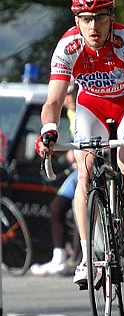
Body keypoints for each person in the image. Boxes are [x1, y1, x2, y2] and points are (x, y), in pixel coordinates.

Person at [36, 0, 124, 286]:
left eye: (100, 18)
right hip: (91, 106)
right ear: (77, 21)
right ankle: (88, 257)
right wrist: (49, 130)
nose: (94, 26)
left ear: (111, 18)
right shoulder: (68, 46)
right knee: (85, 172)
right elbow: (53, 101)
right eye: (86, 19)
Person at [31, 83, 80, 276]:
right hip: (78, 168)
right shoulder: (69, 113)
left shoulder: (84, 107)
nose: (68, 100)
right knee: (57, 207)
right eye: (65, 96)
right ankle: (59, 256)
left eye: (71, 94)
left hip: (92, 165)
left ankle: (79, 260)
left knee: (81, 209)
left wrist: (75, 152)